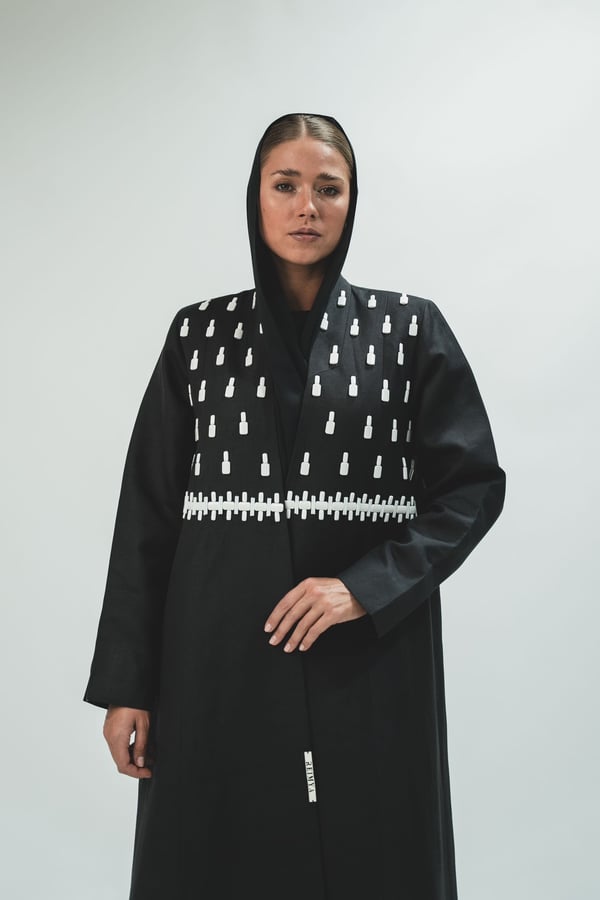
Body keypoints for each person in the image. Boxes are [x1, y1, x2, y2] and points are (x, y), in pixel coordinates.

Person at [85, 113, 505, 900]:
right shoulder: (199, 338)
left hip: (367, 665)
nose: (307, 206)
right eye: (286, 185)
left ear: (351, 203)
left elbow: (472, 486)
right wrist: (127, 685)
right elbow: (147, 514)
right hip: (214, 663)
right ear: (256, 198)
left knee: (374, 853)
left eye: (328, 188)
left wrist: (365, 587)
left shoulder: (408, 331)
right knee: (214, 855)